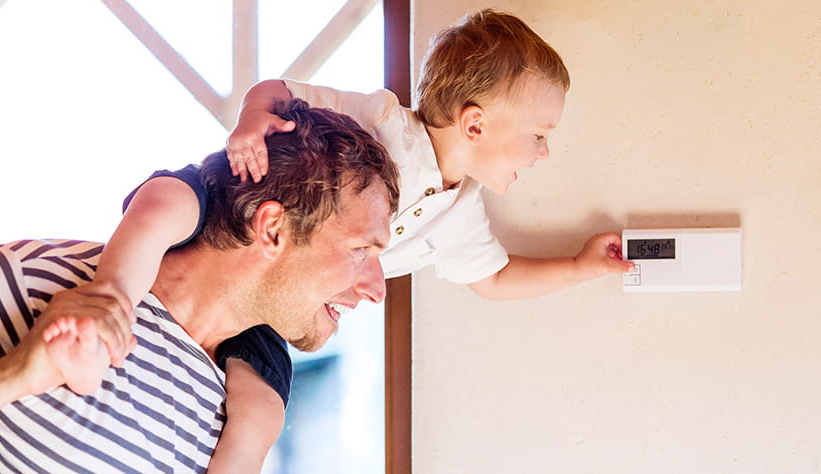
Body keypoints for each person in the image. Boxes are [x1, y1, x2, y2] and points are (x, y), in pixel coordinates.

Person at [73, 8, 637, 471]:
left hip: (280, 309)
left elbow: (494, 278)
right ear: (474, 125)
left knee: (261, 415)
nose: (544, 152)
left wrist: (581, 266)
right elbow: (278, 90)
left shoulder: (461, 209)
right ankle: (107, 307)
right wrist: (249, 122)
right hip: (228, 215)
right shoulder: (381, 119)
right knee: (164, 205)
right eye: (538, 135)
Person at [0, 99, 400, 473]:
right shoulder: (29, 278)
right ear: (272, 229)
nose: (377, 289)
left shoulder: (241, 411)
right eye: (361, 249)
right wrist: (15, 376)